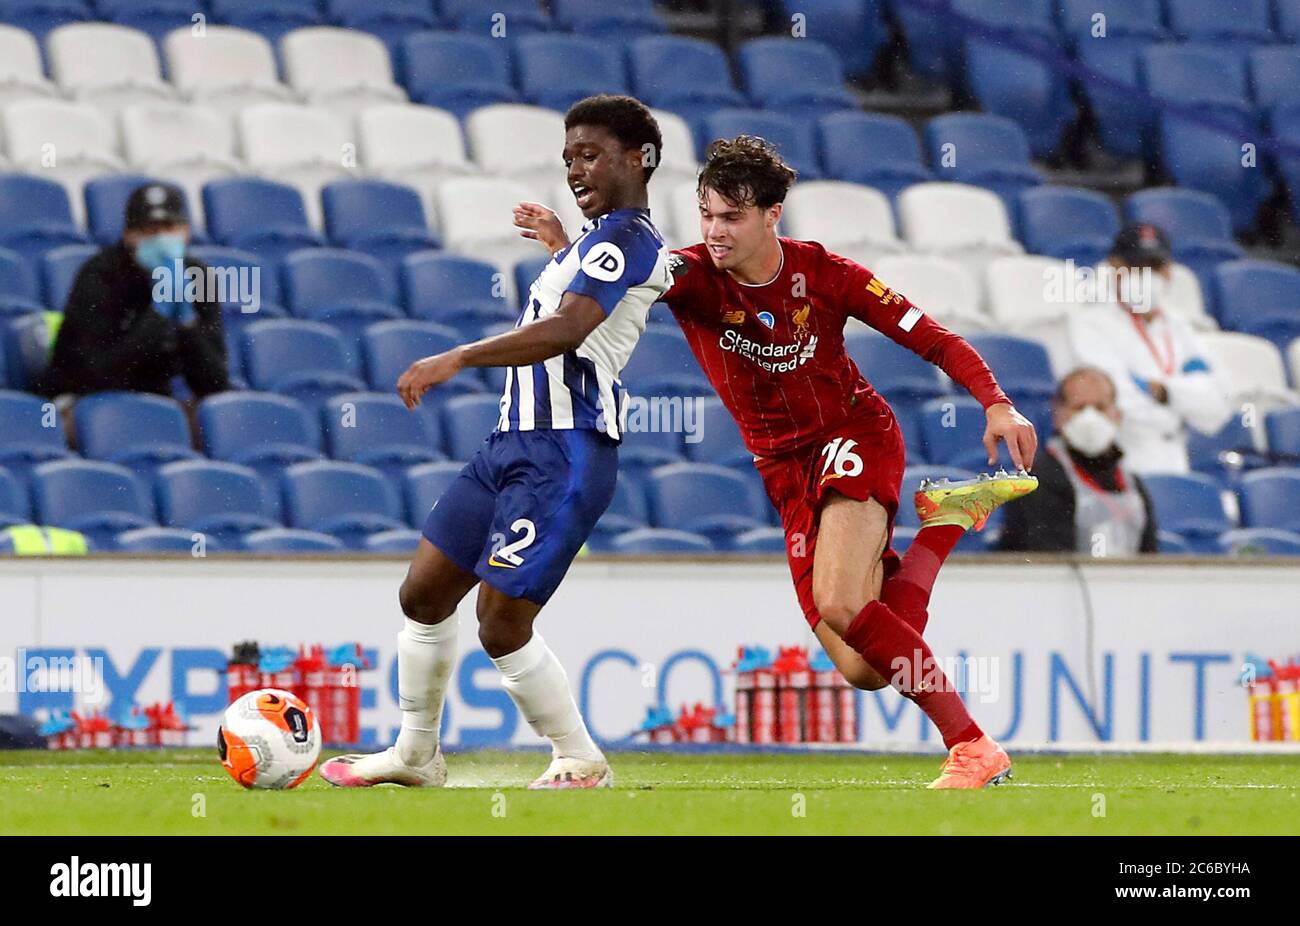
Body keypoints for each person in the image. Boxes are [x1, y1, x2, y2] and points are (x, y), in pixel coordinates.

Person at [517, 135, 1040, 789]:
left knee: (842, 602)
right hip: (783, 470)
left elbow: (931, 337)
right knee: (863, 668)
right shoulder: (690, 277)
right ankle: (942, 526)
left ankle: (972, 746)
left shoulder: (828, 275)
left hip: (854, 437)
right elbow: (612, 284)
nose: (714, 231)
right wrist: (566, 250)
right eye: (706, 214)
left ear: (773, 213)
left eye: (731, 217)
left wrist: (996, 403)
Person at [320, 95, 672, 791]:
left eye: (592, 154)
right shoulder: (596, 244)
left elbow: (567, 330)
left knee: (500, 623)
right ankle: (417, 754)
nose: (575, 169)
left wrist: (457, 357)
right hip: (509, 444)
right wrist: (558, 245)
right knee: (423, 595)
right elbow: (584, 298)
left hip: (566, 450)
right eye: (569, 157)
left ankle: (579, 758)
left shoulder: (629, 239)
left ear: (642, 159)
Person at [35, 182, 228, 401]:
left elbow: (215, 383)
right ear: (128, 235)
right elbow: (95, 374)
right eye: (149, 230)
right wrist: (159, 316)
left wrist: (188, 324)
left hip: (154, 401)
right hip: (82, 399)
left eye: (169, 228)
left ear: (186, 232)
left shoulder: (197, 276)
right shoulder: (100, 274)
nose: (161, 239)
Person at [1067, 223, 1232, 473]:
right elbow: (1120, 405)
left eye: (1155, 267)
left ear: (1168, 271)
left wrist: (1163, 391)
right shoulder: (1089, 324)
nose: (1147, 276)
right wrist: (1187, 397)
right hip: (1123, 464)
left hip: (1178, 462)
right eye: (1137, 267)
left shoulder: (1179, 326)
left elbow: (1217, 409)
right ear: (1115, 266)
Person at [1000, 367, 1158, 556]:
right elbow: (1049, 563)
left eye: (1100, 408)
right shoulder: (1036, 481)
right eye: (1079, 408)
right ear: (1057, 414)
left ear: (1117, 415)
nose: (1090, 418)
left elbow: (1149, 559)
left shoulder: (1133, 486)